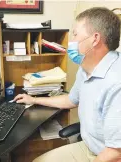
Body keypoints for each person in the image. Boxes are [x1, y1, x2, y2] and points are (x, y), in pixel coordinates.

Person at [14, 7, 121, 162]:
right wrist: (34, 100)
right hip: (90, 147)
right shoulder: (86, 69)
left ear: (95, 39)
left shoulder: (116, 83)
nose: (71, 41)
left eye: (75, 34)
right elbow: (71, 100)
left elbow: (115, 152)